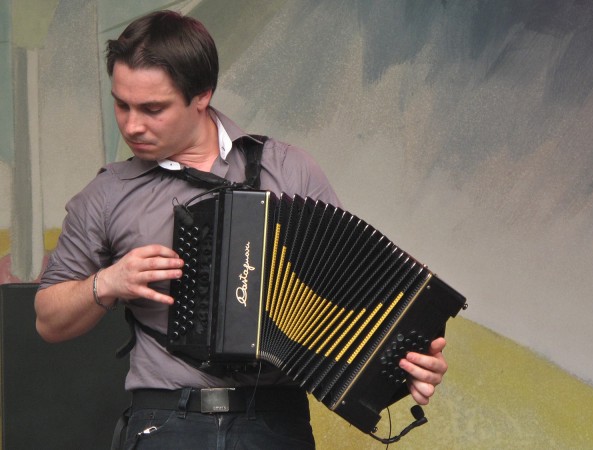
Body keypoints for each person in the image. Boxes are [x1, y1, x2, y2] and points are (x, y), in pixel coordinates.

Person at [34, 10, 448, 450]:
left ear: (202, 95)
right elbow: (48, 319)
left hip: (274, 424)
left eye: (153, 109)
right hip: (165, 422)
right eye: (122, 104)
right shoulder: (107, 193)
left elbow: (347, 290)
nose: (132, 125)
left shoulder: (288, 169)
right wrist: (108, 282)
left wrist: (407, 370)